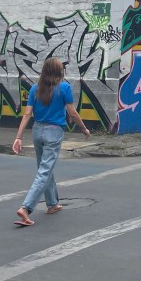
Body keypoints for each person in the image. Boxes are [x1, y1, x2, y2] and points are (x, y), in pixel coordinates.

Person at [12, 57, 90, 226]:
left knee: (45, 168)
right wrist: (84, 128)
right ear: (58, 71)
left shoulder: (35, 88)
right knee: (44, 171)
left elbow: (27, 114)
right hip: (54, 133)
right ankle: (26, 208)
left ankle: (52, 204)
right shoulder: (64, 88)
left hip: (37, 131)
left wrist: (18, 137)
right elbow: (73, 113)